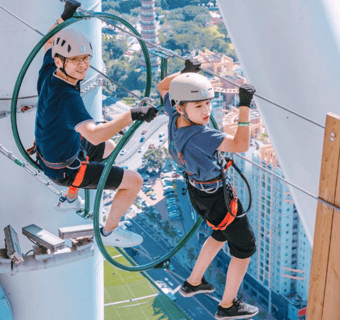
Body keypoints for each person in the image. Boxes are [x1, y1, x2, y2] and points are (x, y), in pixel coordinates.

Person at [33, 0, 157, 247]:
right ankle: (110, 232)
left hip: (55, 152)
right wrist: (132, 114)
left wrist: (63, 18)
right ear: (61, 61)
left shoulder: (51, 72)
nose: (83, 66)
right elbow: (94, 135)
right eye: (76, 60)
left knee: (110, 148)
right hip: (65, 168)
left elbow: (48, 42)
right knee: (134, 182)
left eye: (86, 58)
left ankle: (71, 196)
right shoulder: (68, 99)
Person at [157, 59, 258, 320]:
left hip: (197, 192)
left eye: (208, 103)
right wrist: (244, 106)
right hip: (217, 196)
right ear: (182, 107)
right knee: (244, 248)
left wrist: (186, 75)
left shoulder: (173, 118)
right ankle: (227, 306)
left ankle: (194, 281)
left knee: (219, 234)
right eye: (199, 105)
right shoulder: (203, 135)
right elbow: (240, 144)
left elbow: (162, 87)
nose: (206, 111)